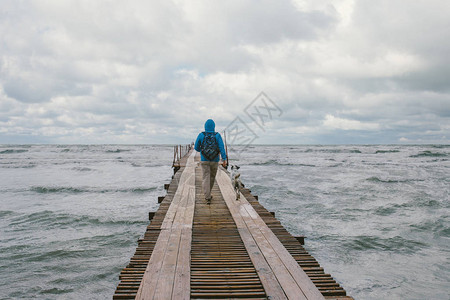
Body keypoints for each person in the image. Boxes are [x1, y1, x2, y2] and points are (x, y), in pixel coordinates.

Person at [194, 119, 227, 203]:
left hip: (204, 160)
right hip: (215, 160)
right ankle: (209, 193)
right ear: (214, 126)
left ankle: (207, 196)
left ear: (205, 126)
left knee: (205, 177)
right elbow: (221, 147)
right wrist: (224, 159)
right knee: (212, 178)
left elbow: (196, 148)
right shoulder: (217, 135)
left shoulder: (201, 135)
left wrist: (201, 150)